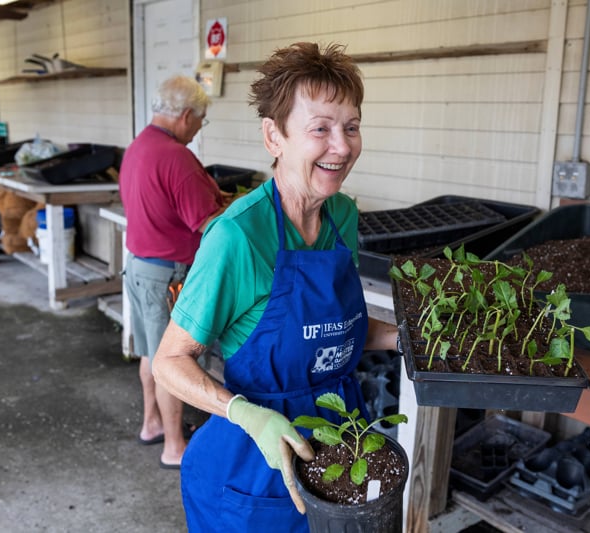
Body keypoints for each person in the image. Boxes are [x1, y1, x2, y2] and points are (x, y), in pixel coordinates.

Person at [152, 42, 399, 531]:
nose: (343, 146)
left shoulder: (342, 216)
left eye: (351, 127)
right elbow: (168, 362)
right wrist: (244, 412)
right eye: (321, 129)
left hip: (340, 437)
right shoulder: (238, 237)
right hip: (254, 464)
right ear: (274, 137)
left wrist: (401, 337)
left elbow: (332, 328)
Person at [119, 74, 226, 469]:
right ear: (185, 116)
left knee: (151, 352)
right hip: (168, 275)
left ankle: (152, 424)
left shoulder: (138, 146)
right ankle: (175, 446)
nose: (199, 128)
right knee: (174, 361)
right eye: (201, 120)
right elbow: (208, 223)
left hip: (140, 267)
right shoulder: (176, 156)